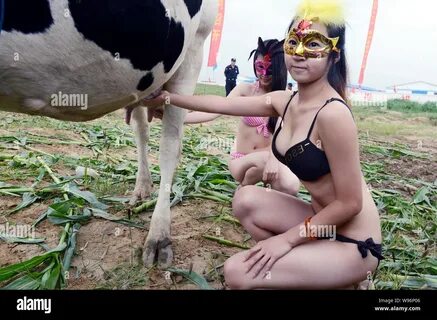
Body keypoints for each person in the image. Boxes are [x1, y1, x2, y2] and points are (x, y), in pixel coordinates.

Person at [145, 0, 383, 289]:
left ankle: (342, 277)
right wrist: (168, 98)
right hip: (320, 223)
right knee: (245, 200)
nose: (300, 53)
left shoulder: (333, 114)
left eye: (314, 45)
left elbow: (350, 203)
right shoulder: (285, 101)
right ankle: (309, 267)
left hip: (353, 241)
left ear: (333, 56)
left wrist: (286, 240)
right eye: (294, 41)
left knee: (236, 273)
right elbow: (224, 103)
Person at [184, 38, 300, 195]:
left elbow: (284, 135)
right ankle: (244, 187)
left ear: (279, 69)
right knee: (265, 160)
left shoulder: (284, 97)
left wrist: (274, 159)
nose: (264, 74)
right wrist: (181, 119)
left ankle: (266, 200)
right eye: (260, 67)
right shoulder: (246, 90)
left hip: (271, 160)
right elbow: (215, 110)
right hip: (243, 161)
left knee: (290, 186)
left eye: (270, 69)